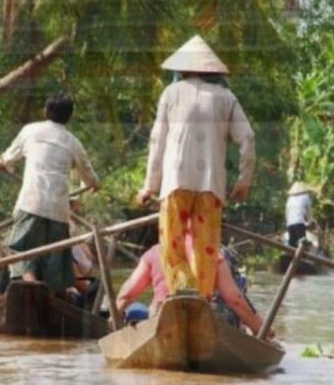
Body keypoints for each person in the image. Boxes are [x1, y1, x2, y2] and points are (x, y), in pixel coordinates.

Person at [136, 35, 255, 299]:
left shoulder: (171, 93)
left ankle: (182, 291)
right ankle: (201, 299)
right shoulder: (226, 97)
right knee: (206, 251)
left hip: (175, 183)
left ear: (182, 69)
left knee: (172, 247)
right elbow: (247, 137)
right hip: (211, 186)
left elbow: (158, 140)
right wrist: (243, 181)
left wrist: (148, 187)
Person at [0, 92, 100, 292]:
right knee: (57, 257)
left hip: (31, 204)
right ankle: (53, 293)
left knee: (19, 247)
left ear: (46, 111)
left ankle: (32, 284)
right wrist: (95, 184)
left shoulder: (30, 131)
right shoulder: (73, 142)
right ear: (69, 117)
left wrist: (1, 163)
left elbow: (8, 157)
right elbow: (89, 174)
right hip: (59, 211)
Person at [115, 241, 269, 339]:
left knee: (136, 311)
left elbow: (127, 294)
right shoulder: (212, 254)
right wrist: (259, 330)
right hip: (201, 317)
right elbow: (235, 300)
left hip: (161, 317)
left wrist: (115, 317)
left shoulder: (155, 251)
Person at [285, 181, 314, 247]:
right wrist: (311, 221)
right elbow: (309, 211)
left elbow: (287, 213)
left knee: (292, 244)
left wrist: (287, 222)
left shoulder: (290, 199)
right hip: (299, 223)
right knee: (302, 243)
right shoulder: (305, 197)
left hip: (290, 224)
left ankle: (292, 251)